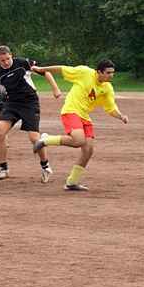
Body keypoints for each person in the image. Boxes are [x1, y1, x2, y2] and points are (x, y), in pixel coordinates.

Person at [31, 59, 129, 191]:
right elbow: (62, 68)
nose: (111, 75)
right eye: (108, 73)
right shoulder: (85, 72)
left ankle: (72, 182)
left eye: (113, 73)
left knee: (88, 150)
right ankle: (45, 140)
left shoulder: (107, 88)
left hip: (84, 116)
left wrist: (121, 116)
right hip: (71, 110)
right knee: (78, 140)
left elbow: (110, 108)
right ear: (98, 72)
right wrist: (42, 69)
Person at [0, 45, 62, 182]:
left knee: (34, 139)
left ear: (12, 55)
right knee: (0, 132)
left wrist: (56, 89)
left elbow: (45, 72)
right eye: (2, 60)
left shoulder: (22, 63)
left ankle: (45, 167)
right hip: (12, 104)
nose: (6, 62)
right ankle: (3, 168)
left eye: (8, 58)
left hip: (29, 103)